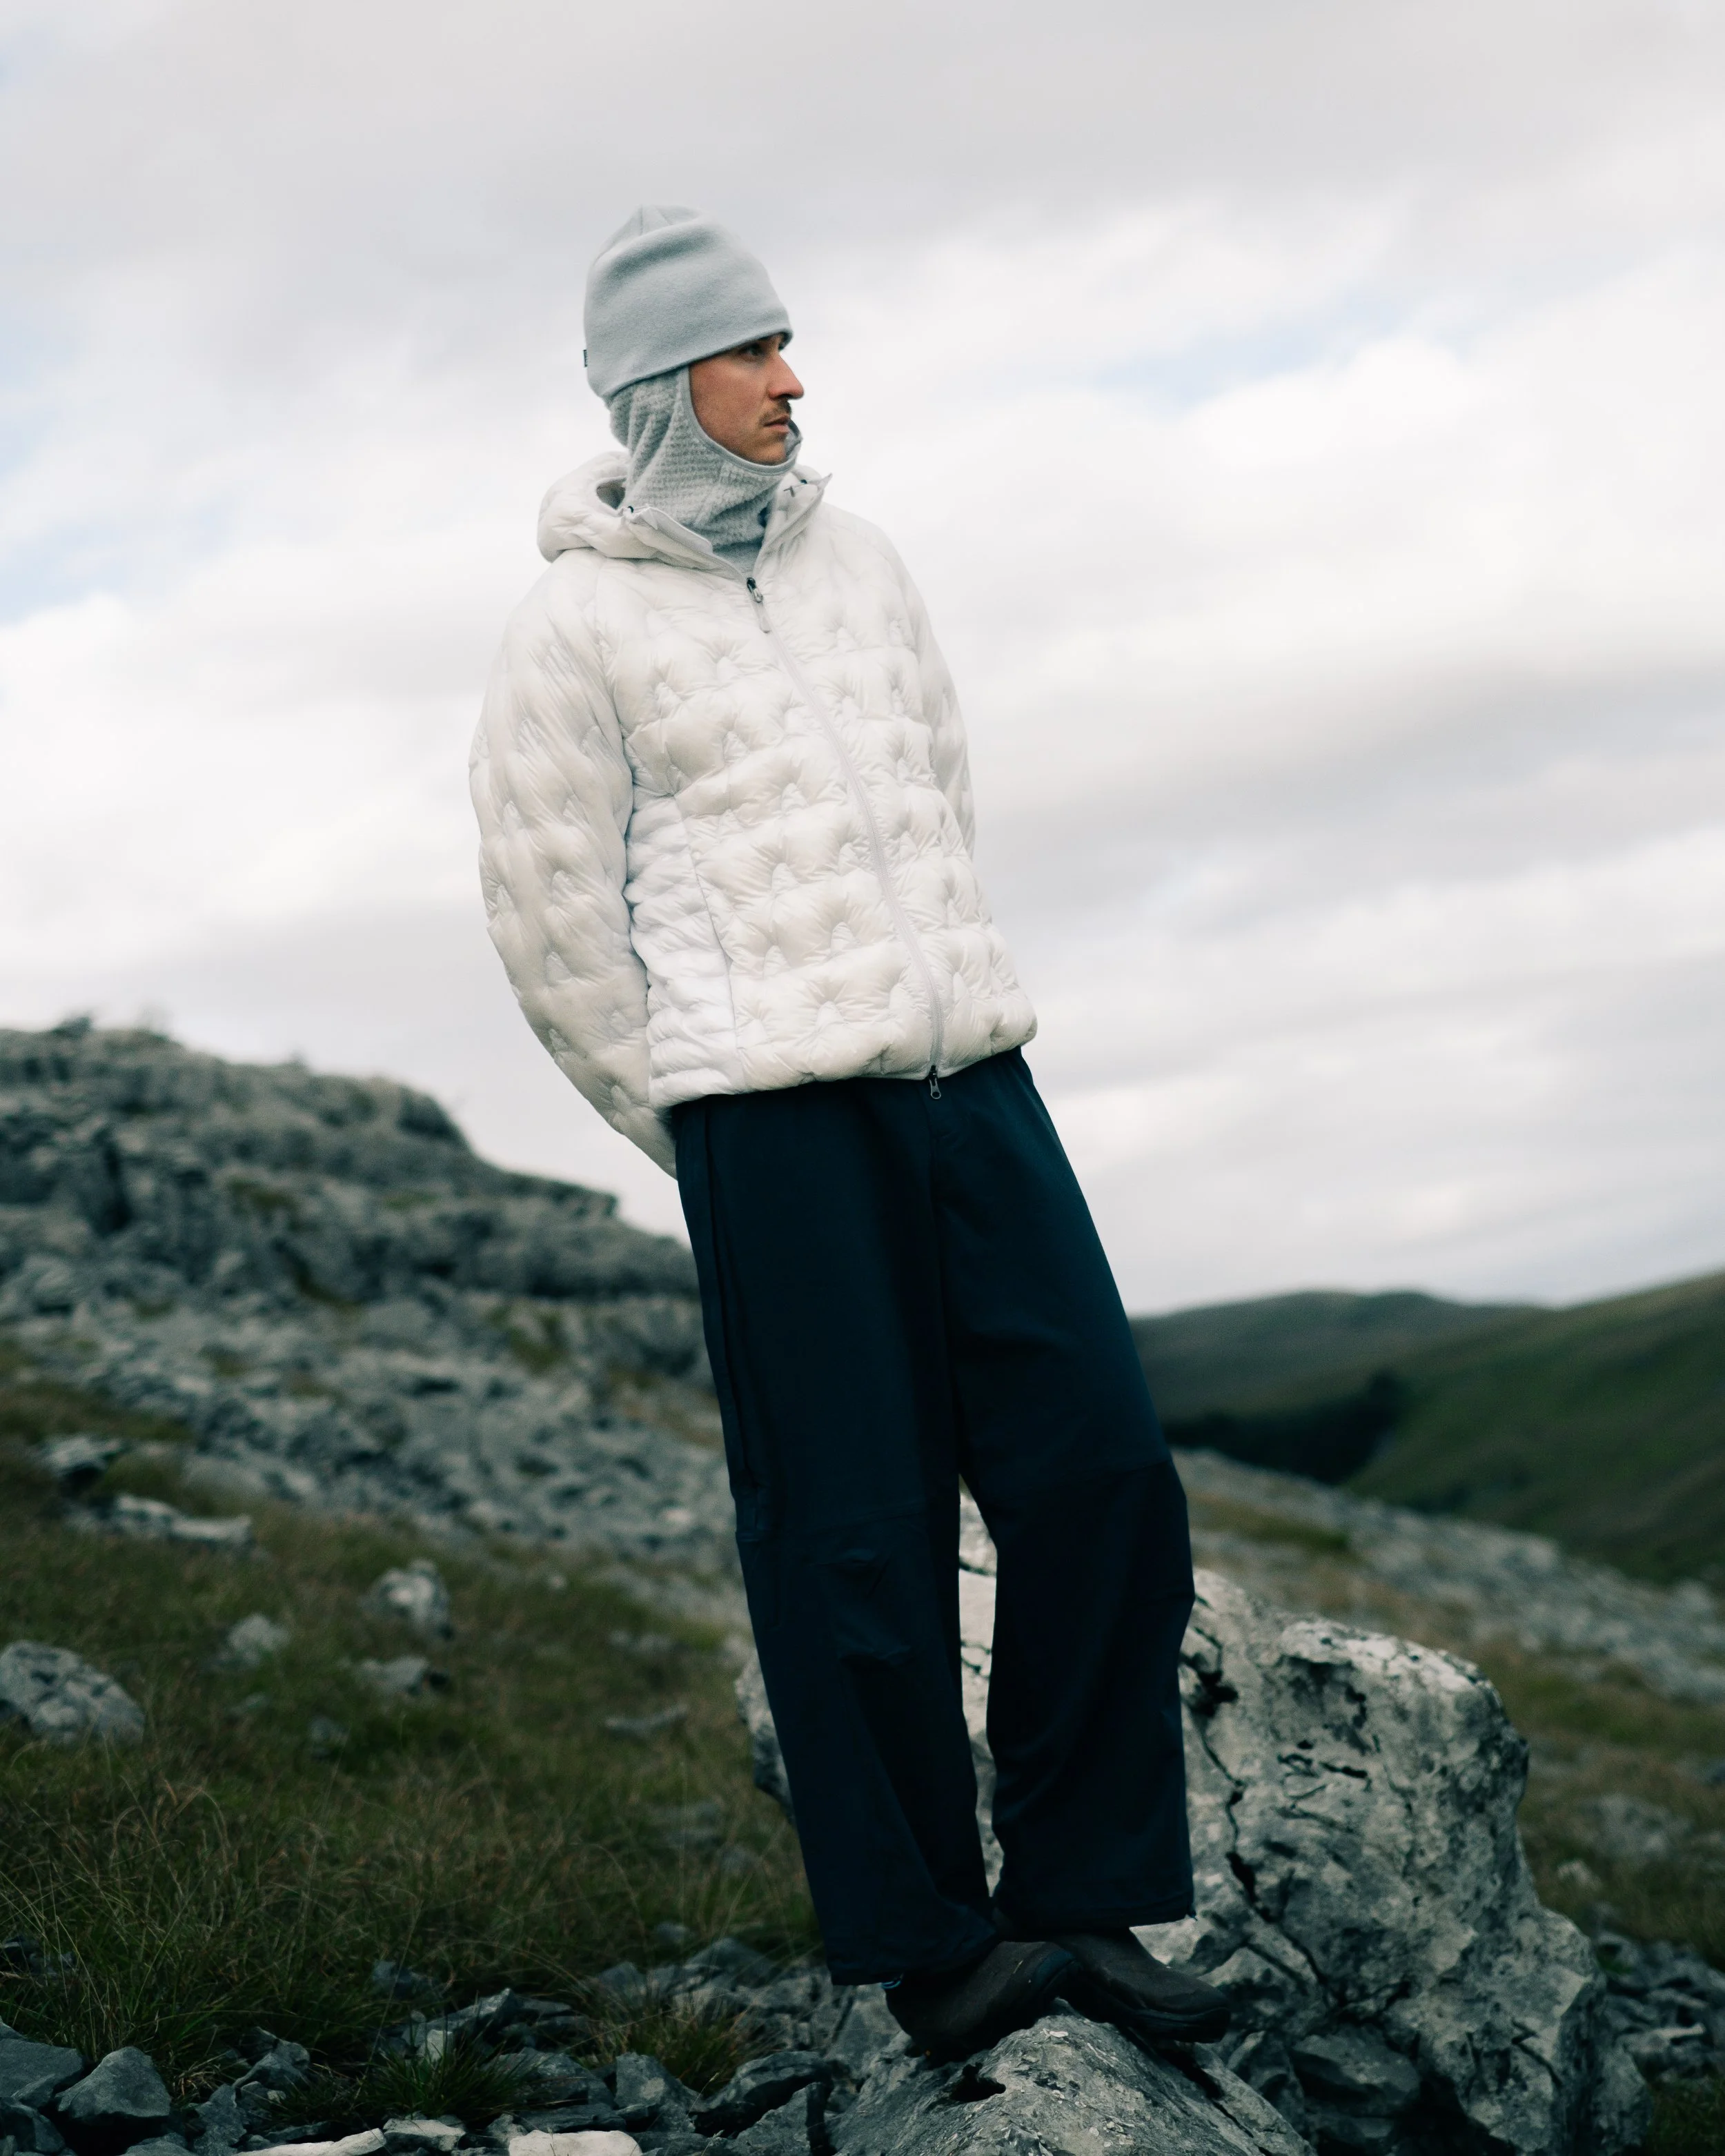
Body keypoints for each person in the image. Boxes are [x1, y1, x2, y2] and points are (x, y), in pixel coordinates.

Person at [470, 205, 1228, 2062]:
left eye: (789, 345)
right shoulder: (572, 628)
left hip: (970, 1079)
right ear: (664, 390)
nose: (791, 380)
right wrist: (713, 1125)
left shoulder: (861, 562)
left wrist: (933, 1000)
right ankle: (929, 1944)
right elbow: (552, 920)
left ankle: (1080, 1895)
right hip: (770, 1123)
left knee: (1100, 1473)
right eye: (751, 354)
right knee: (851, 1536)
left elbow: (936, 795)